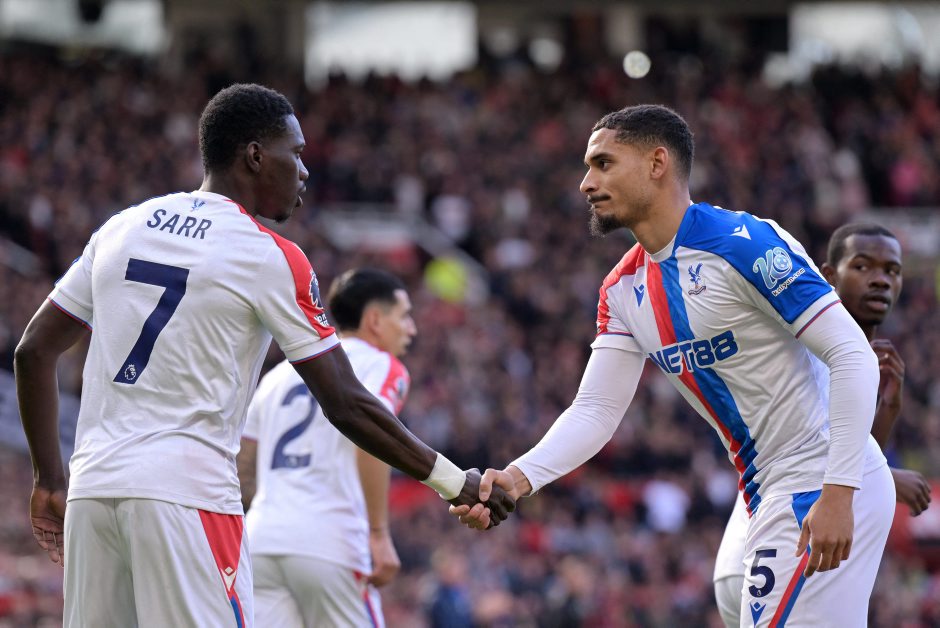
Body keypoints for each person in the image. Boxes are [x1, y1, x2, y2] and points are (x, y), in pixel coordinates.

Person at [14, 83, 512, 627]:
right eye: (294, 153)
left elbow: (33, 351)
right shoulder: (268, 255)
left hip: (91, 492)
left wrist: (48, 479)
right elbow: (346, 403)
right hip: (188, 497)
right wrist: (454, 481)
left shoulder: (122, 227)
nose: (304, 171)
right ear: (255, 155)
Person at [452, 105, 894, 626]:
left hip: (820, 478)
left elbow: (852, 355)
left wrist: (839, 492)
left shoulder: (745, 244)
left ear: (657, 163)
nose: (586, 183)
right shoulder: (621, 290)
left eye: (603, 164)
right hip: (769, 492)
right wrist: (518, 478)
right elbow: (596, 410)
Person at [712, 222, 932, 626]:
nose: (880, 280)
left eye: (892, 270)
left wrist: (888, 409)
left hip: (775, 551)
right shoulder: (809, 346)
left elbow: (850, 453)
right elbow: (807, 453)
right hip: (770, 544)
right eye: (863, 267)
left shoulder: (861, 357)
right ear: (829, 275)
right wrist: (889, 477)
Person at [237, 268, 416, 627]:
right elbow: (374, 440)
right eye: (404, 316)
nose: (411, 329)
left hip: (262, 540)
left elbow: (243, 465)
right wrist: (378, 534)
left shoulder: (279, 375)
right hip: (329, 541)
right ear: (374, 320)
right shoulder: (382, 365)